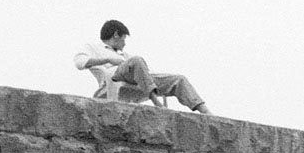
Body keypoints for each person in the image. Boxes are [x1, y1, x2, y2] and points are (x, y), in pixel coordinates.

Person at [73, 19, 210, 113]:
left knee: (178, 79)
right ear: (116, 35)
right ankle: (156, 102)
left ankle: (205, 112)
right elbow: (79, 62)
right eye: (124, 38)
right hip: (114, 76)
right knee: (136, 60)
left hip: (135, 76)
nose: (124, 43)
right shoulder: (93, 47)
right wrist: (108, 59)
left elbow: (144, 72)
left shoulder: (124, 54)